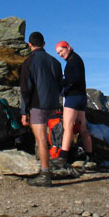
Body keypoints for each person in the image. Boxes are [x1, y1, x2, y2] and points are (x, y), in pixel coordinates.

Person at [20, 31, 63, 187]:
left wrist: (24, 111)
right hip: (54, 105)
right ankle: (56, 166)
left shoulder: (28, 62)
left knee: (41, 139)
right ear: (44, 44)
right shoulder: (55, 62)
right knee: (54, 137)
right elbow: (60, 85)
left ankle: (45, 174)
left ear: (29, 45)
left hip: (38, 105)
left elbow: (26, 89)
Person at [53, 40, 94, 168]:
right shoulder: (76, 59)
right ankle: (90, 156)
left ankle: (63, 157)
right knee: (82, 128)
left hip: (73, 97)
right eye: (58, 53)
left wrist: (63, 86)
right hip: (81, 97)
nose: (60, 54)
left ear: (68, 47)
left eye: (61, 51)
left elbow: (73, 79)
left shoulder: (73, 61)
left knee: (68, 126)